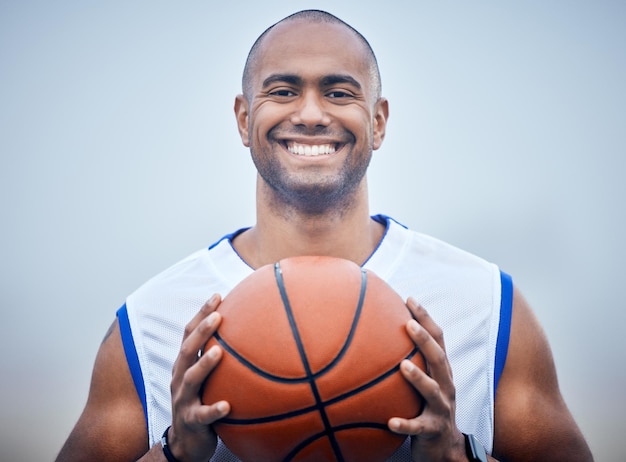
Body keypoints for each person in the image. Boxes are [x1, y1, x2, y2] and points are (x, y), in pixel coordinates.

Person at [56, 9, 593, 462]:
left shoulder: (484, 305)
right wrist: (175, 452)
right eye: (284, 90)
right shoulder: (152, 321)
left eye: (339, 92)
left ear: (378, 121)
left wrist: (458, 453)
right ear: (244, 119)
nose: (311, 115)